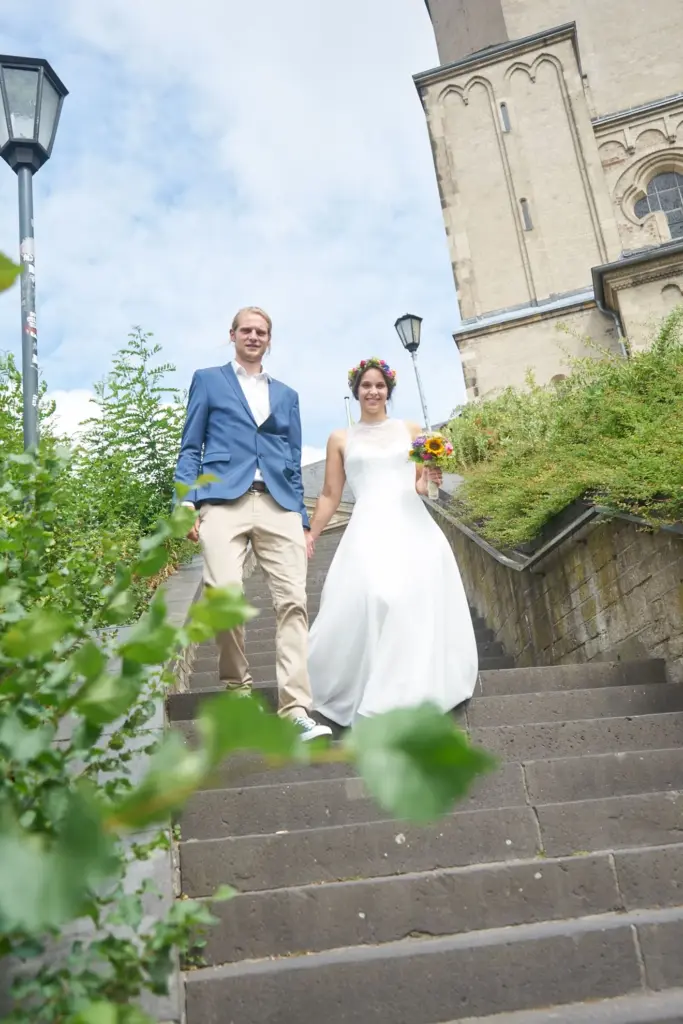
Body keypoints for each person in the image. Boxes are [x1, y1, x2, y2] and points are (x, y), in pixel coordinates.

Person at [174, 306, 332, 742]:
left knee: (294, 601)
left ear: (269, 339)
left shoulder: (287, 395)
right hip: (223, 500)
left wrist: (302, 521)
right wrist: (185, 501)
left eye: (261, 331)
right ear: (232, 335)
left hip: (279, 504)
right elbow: (190, 447)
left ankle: (296, 708)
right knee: (224, 595)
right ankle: (237, 690)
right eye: (246, 329)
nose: (254, 336)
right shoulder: (208, 380)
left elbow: (293, 463)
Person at [306, 357, 478, 726]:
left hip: (411, 525)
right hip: (367, 527)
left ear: (389, 391)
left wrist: (433, 476)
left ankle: (407, 693)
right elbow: (330, 495)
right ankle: (373, 687)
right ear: (356, 392)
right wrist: (311, 534)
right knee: (375, 596)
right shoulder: (341, 438)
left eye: (379, 386)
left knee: (408, 601)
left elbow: (420, 486)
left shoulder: (410, 428)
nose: (373, 391)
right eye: (366, 386)